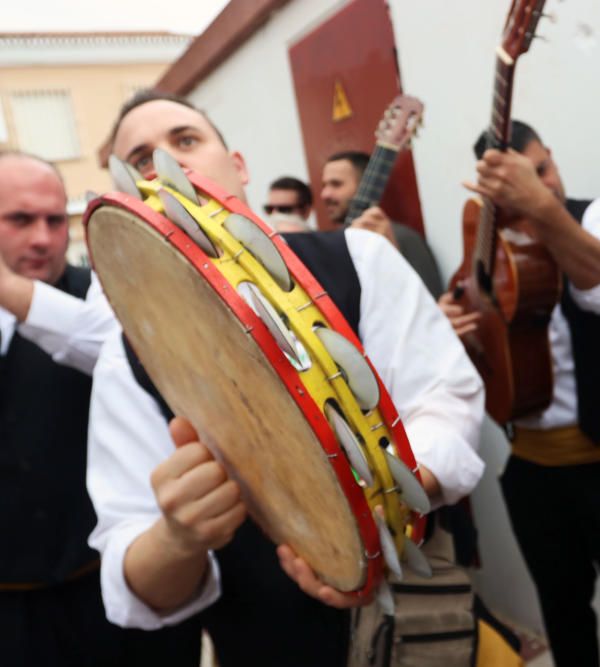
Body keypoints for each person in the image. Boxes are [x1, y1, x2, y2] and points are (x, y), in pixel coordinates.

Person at [87, 90, 485, 666]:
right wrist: (179, 537)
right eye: (140, 158)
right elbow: (132, 576)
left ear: (238, 167)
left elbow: (446, 399)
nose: (166, 164)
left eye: (186, 140)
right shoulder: (125, 356)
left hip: (419, 628)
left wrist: (368, 506)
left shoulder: (358, 258)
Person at [447, 120, 600, 667]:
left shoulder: (599, 217)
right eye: (521, 182)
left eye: (543, 170)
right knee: (565, 622)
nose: (542, 186)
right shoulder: (487, 241)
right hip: (532, 470)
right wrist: (449, 320)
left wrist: (543, 211)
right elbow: (470, 317)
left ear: (550, 157)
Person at [0, 151, 200, 665]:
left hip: (115, 602)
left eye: (54, 219)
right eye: (19, 220)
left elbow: (103, 339)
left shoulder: (109, 300)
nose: (43, 238)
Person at [321, 150, 443, 296]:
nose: (325, 194)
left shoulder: (401, 237)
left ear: (364, 185)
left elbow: (431, 300)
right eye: (324, 185)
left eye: (336, 184)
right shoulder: (332, 241)